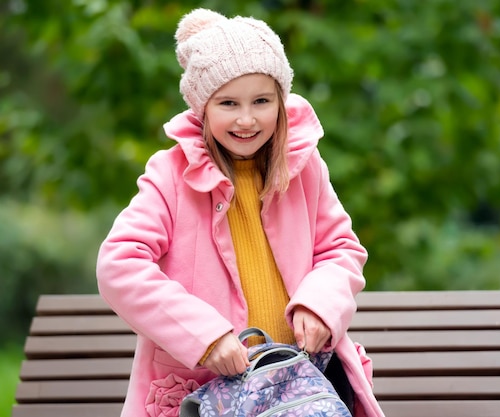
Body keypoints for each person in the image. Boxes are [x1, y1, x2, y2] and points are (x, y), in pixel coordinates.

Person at [96, 7, 385, 417]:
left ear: (281, 102)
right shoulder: (171, 175)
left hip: (298, 383)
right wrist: (205, 336)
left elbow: (340, 249)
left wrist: (319, 304)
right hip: (207, 392)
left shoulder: (304, 167)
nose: (247, 119)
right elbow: (118, 265)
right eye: (228, 103)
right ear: (202, 108)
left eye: (262, 101)